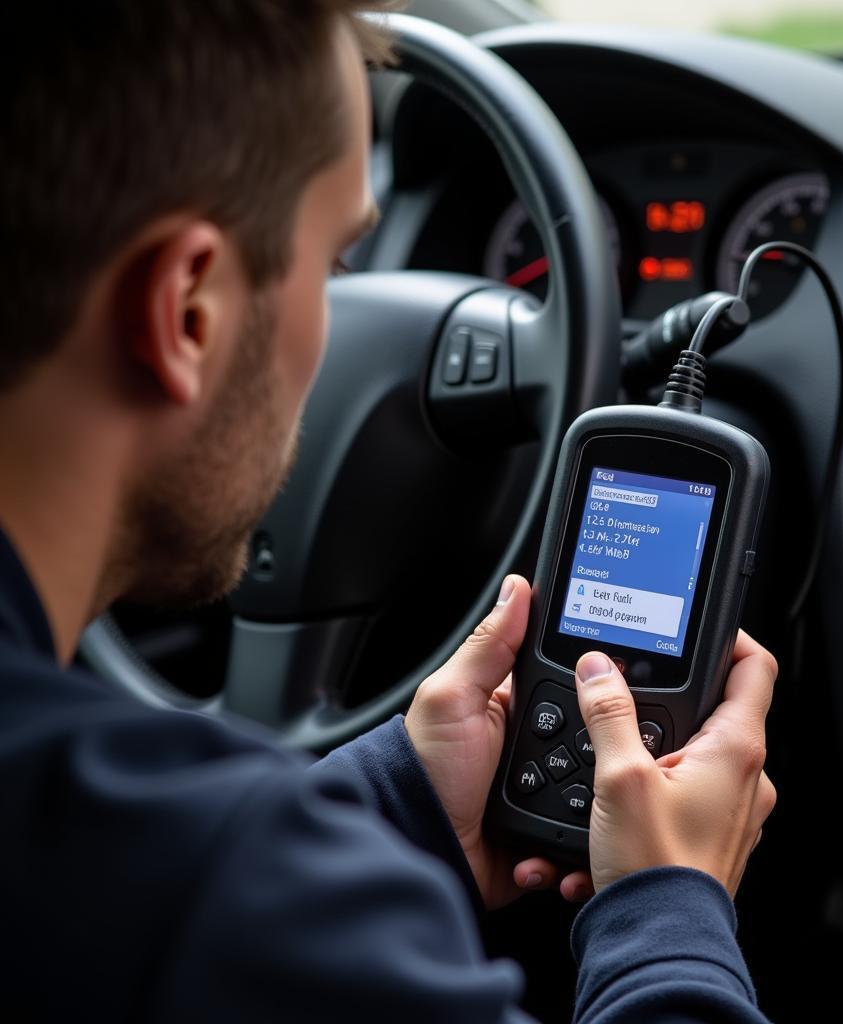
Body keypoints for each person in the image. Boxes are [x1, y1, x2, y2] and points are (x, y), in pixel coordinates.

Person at [0, 2, 778, 1020]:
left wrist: (394, 803)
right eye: (333, 265)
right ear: (188, 310)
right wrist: (669, 913)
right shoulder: (225, 897)